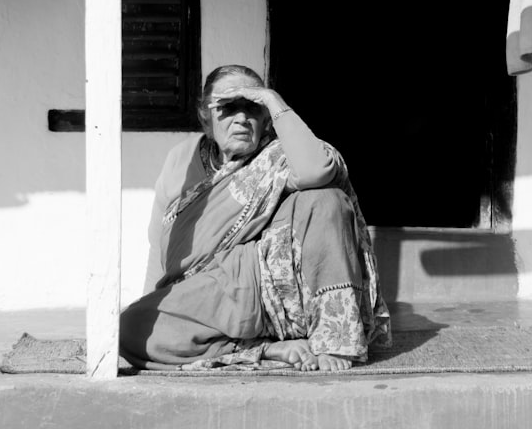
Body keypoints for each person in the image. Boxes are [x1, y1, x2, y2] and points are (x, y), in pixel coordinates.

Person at [120, 65, 391, 372]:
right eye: (227, 107)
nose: (241, 117)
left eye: (253, 107)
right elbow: (160, 243)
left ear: (266, 118)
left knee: (325, 199)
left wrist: (273, 100)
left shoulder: (280, 153)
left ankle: (333, 340)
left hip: (274, 289)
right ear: (205, 117)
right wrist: (156, 305)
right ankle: (267, 350)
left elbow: (317, 170)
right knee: (130, 327)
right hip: (214, 293)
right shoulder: (181, 159)